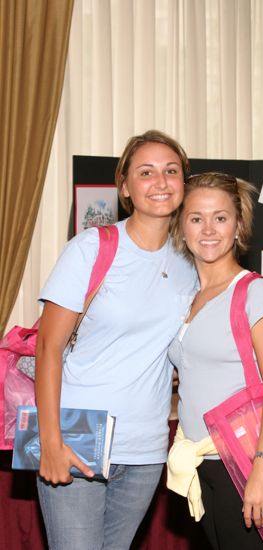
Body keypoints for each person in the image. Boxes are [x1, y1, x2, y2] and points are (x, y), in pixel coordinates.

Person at [35, 130, 198, 550]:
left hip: (145, 447)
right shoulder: (92, 248)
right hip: (77, 434)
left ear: (184, 181)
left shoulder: (193, 262)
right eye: (146, 172)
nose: (160, 182)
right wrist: (50, 442)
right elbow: (48, 347)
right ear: (125, 186)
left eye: (171, 171)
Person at [168, 172, 263, 550]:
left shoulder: (257, 294)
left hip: (241, 462)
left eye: (220, 218)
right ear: (181, 226)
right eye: (196, 218)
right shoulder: (189, 296)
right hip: (200, 460)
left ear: (238, 226)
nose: (208, 229)